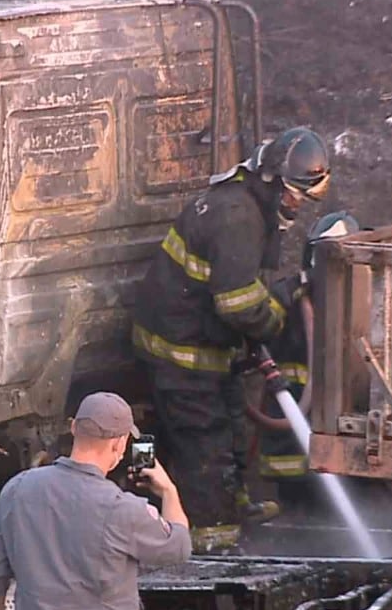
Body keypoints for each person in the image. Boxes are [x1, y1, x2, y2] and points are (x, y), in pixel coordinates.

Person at [130, 126, 333, 553]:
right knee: (205, 445)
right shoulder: (238, 217)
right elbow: (239, 305)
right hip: (182, 356)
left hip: (202, 346)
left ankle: (233, 508)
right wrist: (276, 310)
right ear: (276, 181)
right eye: (297, 195)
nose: (298, 206)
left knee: (230, 433)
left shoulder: (246, 203)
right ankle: (211, 542)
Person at [0, 391, 192, 610]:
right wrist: (169, 492)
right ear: (120, 443)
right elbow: (178, 547)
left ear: (74, 428)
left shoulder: (17, 489)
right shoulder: (122, 508)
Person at [252, 212, 359, 519]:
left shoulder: (364, 296)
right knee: (301, 501)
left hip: (334, 426)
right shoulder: (290, 297)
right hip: (293, 416)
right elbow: (254, 328)